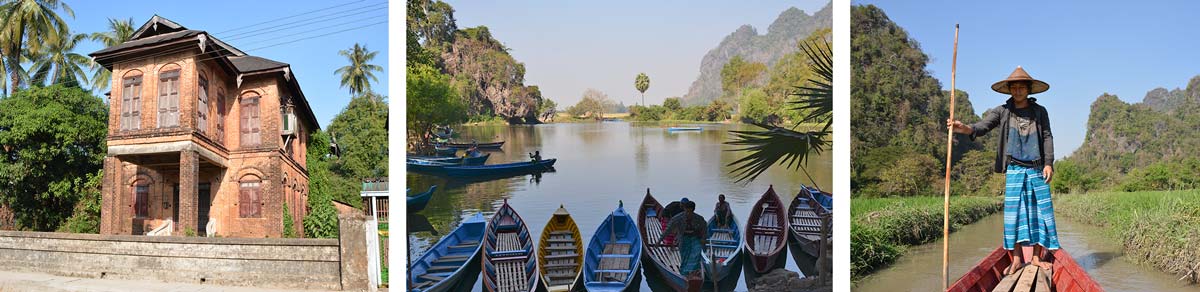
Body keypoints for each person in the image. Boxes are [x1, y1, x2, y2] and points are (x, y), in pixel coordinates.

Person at [947, 66, 1059, 274]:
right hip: (1015, 168)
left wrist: (1049, 163)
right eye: (1014, 87)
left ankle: (1036, 257)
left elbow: (1047, 136)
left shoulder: (1040, 112)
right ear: (1009, 90)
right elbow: (983, 126)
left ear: (1028, 89)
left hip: (1037, 168)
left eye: (1021, 87)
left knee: (1040, 213)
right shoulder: (1002, 111)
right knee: (1014, 215)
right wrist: (965, 128)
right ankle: (1016, 259)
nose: (1017, 91)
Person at [656, 198, 707, 290]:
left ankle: (693, 273)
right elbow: (668, 229)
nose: (688, 213)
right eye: (687, 211)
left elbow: (704, 227)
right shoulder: (678, 218)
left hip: (695, 238)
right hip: (683, 239)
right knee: (684, 256)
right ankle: (685, 275)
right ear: (684, 209)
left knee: (696, 254)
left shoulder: (699, 218)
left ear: (693, 210)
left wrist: (703, 238)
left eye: (690, 211)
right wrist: (659, 240)